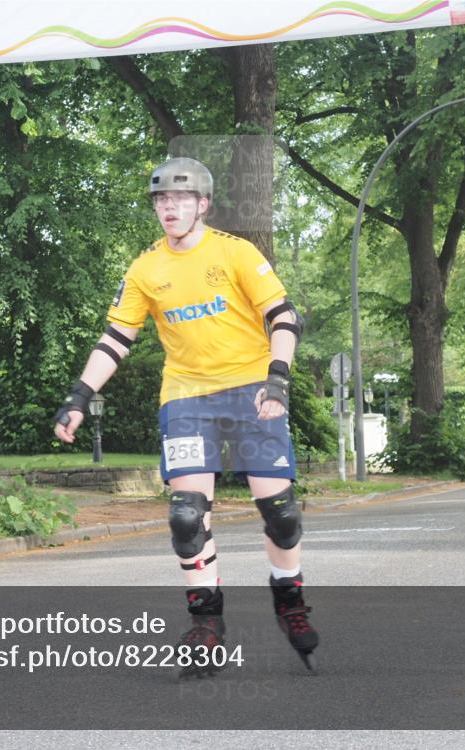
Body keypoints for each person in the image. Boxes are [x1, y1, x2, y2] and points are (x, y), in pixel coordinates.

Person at [53, 157, 318, 672]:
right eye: (160, 200)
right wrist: (79, 397)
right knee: (186, 516)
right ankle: (206, 623)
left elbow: (284, 317)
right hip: (187, 396)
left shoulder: (236, 253)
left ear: (202, 204)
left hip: (251, 389)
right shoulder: (145, 268)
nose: (168, 208)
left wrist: (277, 378)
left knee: (282, 515)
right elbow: (115, 340)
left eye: (178, 199)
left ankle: (289, 598)